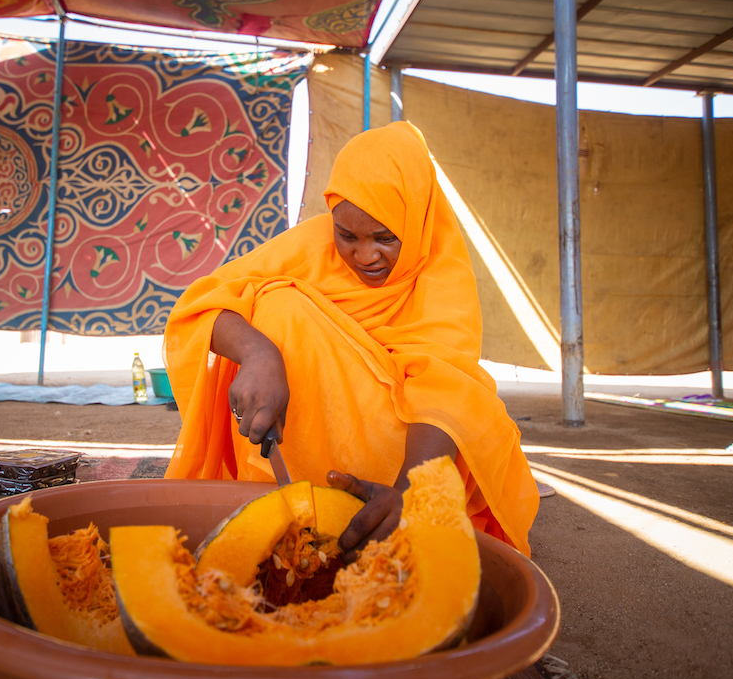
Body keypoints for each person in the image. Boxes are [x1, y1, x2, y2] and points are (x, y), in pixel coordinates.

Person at [163, 121, 539, 559]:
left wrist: (412, 491)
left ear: (416, 220)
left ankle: (374, 509)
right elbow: (201, 303)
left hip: (404, 456)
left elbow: (445, 389)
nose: (365, 256)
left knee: (472, 411)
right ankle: (283, 506)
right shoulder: (311, 244)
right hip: (301, 445)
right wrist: (257, 353)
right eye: (348, 236)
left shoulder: (442, 274)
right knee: (275, 304)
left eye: (385, 238)